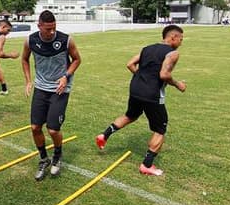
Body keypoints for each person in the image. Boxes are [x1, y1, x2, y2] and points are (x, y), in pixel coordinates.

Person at [95, 24, 186, 176]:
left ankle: (104, 135)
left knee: (130, 115)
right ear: (173, 37)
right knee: (160, 129)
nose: (181, 42)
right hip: (152, 94)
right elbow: (164, 75)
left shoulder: (147, 48)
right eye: (181, 39)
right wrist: (179, 84)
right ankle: (147, 165)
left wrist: (142, 78)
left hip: (136, 89)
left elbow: (130, 64)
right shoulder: (173, 53)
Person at [21, 10, 81, 181]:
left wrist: (66, 76)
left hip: (59, 88)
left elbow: (77, 59)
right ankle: (43, 159)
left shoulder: (65, 40)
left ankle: (57, 156)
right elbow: (24, 59)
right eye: (48, 29)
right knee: (35, 128)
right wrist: (28, 80)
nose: (52, 32)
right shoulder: (30, 40)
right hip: (41, 88)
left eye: (54, 28)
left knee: (53, 129)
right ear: (39, 26)